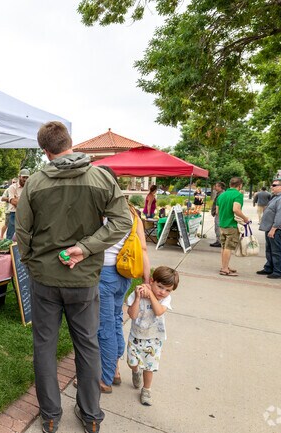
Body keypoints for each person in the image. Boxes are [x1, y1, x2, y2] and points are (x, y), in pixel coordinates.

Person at [16, 121, 132, 433]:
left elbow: (22, 232)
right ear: (70, 142)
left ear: (45, 150)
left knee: (44, 345)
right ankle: (91, 415)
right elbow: (123, 222)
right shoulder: (100, 178)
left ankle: (51, 415)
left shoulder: (36, 182)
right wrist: (86, 248)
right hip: (83, 280)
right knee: (87, 344)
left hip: (46, 279)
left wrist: (31, 262)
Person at [95, 167, 151, 395]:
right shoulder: (131, 211)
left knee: (104, 327)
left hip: (105, 274)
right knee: (116, 320)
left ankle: (105, 378)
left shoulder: (102, 210)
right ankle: (115, 370)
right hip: (125, 274)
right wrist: (147, 280)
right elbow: (144, 248)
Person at [126, 266, 179, 406]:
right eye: (160, 287)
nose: (163, 292)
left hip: (154, 339)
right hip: (136, 336)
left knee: (149, 367)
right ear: (151, 281)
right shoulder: (139, 293)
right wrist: (138, 297)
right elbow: (132, 315)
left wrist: (151, 295)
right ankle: (136, 371)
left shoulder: (165, 300)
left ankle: (146, 390)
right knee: (132, 363)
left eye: (168, 290)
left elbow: (159, 311)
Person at [215, 177, 250, 276]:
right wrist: (245, 218)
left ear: (230, 184)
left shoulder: (222, 195)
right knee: (229, 247)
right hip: (232, 225)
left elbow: (217, 212)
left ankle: (224, 266)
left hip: (222, 225)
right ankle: (225, 269)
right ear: (240, 185)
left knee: (223, 246)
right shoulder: (238, 195)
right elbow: (236, 209)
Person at [256, 179, 281, 279]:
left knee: (276, 250)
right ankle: (269, 268)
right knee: (269, 249)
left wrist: (274, 228)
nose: (272, 187)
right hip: (270, 227)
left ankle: (278, 271)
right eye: (272, 185)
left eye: (274, 185)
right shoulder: (276, 197)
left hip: (277, 229)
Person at [6, 170, 29, 240]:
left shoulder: (29, 187)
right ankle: (8, 249)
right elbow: (13, 201)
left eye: (27, 177)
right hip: (14, 214)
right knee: (10, 235)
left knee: (24, 235)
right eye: (23, 177)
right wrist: (26, 202)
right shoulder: (13, 187)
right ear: (19, 177)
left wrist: (18, 201)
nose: (25, 179)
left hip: (26, 214)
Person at [209, 182, 225, 247]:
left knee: (218, 227)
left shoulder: (221, 194)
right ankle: (219, 240)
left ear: (220, 187)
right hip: (219, 213)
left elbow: (220, 204)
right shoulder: (220, 193)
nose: (215, 187)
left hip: (219, 213)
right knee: (217, 227)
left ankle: (219, 242)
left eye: (216, 186)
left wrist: (217, 212)